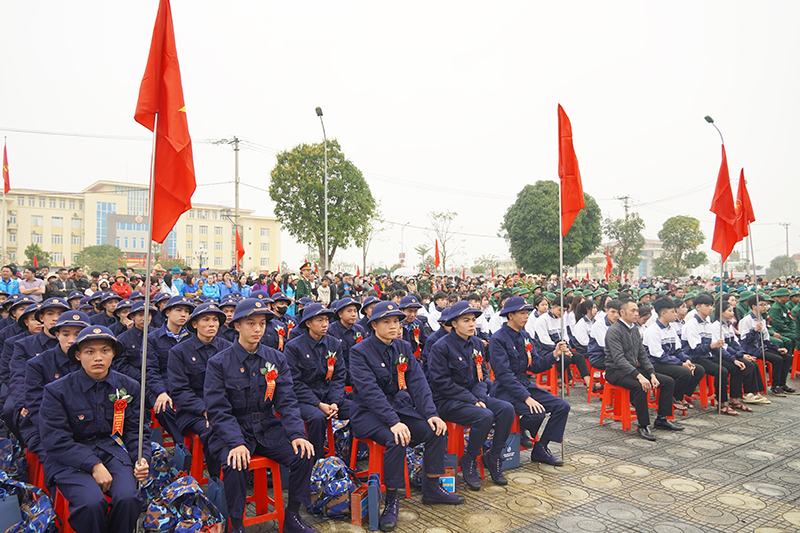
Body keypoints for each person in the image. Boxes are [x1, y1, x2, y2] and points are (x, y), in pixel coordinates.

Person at [204, 298, 318, 533]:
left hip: (267, 428)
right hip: (233, 431)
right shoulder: (219, 363)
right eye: (250, 323)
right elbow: (218, 410)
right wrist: (235, 442)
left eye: (262, 323)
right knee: (235, 464)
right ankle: (236, 524)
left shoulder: (276, 358)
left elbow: (286, 400)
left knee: (303, 454)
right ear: (237, 326)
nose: (257, 329)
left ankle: (292, 516)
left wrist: (297, 434)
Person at [350, 301, 464, 531]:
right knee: (397, 438)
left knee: (435, 429)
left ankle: (432, 486)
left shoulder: (402, 347)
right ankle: (392, 498)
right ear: (373, 325)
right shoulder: (359, 351)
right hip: (367, 412)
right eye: (387, 322)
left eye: (396, 322)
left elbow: (418, 383)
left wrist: (431, 413)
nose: (394, 327)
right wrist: (393, 422)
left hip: (397, 408)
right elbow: (369, 392)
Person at [39, 326, 150, 533]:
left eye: (105, 351)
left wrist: (141, 459)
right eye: (90, 351)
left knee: (128, 497)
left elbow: (136, 431)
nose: (98, 357)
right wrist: (94, 465)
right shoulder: (57, 391)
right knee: (91, 503)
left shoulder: (129, 386)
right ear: (78, 355)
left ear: (113, 353)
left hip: (113, 451)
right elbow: (55, 439)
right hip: (69, 458)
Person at [428, 301, 513, 490]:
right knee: (485, 416)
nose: (472, 324)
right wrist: (473, 400)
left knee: (506, 409)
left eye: (474, 320)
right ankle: (470, 459)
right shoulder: (440, 347)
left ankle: (493, 455)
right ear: (454, 323)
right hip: (447, 400)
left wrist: (480, 398)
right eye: (466, 320)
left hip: (474, 398)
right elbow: (441, 383)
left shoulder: (476, 343)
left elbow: (482, 376)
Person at [489, 296, 571, 465]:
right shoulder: (498, 339)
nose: (526, 316)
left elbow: (534, 365)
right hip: (505, 389)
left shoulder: (525, 336)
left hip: (523, 384)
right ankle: (520, 429)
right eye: (522, 313)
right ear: (510, 315)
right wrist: (526, 397)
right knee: (536, 412)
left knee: (562, 406)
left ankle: (541, 448)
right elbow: (504, 375)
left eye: (527, 313)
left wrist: (554, 354)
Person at [605, 300, 683, 441]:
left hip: (632, 369)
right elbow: (618, 359)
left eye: (637, 310)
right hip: (615, 371)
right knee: (640, 386)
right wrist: (639, 376)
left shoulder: (634, 329)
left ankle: (662, 418)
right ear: (622, 312)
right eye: (633, 311)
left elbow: (642, 355)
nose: (636, 313)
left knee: (667, 381)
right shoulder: (614, 331)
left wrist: (652, 374)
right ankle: (643, 425)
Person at [168, 302, 230, 477]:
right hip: (193, 412)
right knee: (214, 431)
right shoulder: (179, 352)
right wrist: (205, 410)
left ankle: (239, 471)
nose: (212, 324)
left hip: (224, 408)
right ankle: (217, 479)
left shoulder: (227, 347)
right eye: (206, 320)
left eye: (215, 320)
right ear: (194, 324)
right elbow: (179, 391)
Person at [284, 303, 350, 462]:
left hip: (329, 397)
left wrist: (335, 401)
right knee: (317, 417)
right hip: (304, 399)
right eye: (319, 320)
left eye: (326, 320)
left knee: (358, 410)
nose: (325, 324)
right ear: (308, 323)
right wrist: (318, 404)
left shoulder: (334, 344)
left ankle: (347, 457)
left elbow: (339, 376)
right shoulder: (294, 347)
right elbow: (294, 382)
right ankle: (316, 460)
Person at [21, 311, 90, 459]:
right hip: (46, 429)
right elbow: (36, 405)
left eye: (77, 334)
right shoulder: (38, 364)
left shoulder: (94, 363)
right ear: (57, 335)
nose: (71, 340)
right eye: (65, 334)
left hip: (88, 427)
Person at [682, 293, 748, 415]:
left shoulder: (708, 324)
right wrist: (713, 346)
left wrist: (733, 359)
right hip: (695, 358)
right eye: (707, 305)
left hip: (708, 356)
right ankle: (722, 403)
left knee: (736, 367)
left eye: (712, 305)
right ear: (698, 307)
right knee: (721, 371)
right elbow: (696, 349)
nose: (710, 308)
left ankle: (734, 399)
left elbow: (717, 348)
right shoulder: (692, 325)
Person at [145, 295, 196, 441]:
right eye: (178, 310)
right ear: (167, 313)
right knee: (163, 408)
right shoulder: (152, 339)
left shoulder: (192, 338)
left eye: (186, 311)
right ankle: (184, 442)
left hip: (186, 386)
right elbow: (150, 370)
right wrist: (160, 392)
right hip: (162, 385)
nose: (183, 314)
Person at [643, 297, 706, 411]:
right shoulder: (653, 330)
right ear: (663, 313)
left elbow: (678, 349)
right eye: (672, 312)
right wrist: (681, 364)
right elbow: (659, 356)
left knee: (699, 369)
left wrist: (686, 360)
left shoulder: (670, 328)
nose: (675, 315)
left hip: (669, 361)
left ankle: (681, 395)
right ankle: (675, 398)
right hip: (656, 364)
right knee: (684, 372)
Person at [712, 300, 767, 410]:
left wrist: (742, 353)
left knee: (752, 363)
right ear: (722, 312)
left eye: (732, 310)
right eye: (729, 311)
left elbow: (736, 343)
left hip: (732, 353)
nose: (733, 313)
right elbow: (724, 347)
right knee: (741, 366)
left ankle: (752, 392)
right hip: (721, 355)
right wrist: (739, 356)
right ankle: (745, 394)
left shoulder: (729, 325)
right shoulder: (716, 326)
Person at [739, 294, 796, 396]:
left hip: (762, 347)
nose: (764, 307)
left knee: (786, 357)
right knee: (777, 360)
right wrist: (755, 330)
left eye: (765, 304)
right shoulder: (746, 320)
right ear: (754, 306)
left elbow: (766, 340)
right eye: (761, 304)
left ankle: (782, 384)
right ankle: (775, 386)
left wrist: (777, 348)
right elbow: (744, 341)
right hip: (752, 349)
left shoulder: (762, 319)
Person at [530, 297, 592, 389]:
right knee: (565, 358)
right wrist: (561, 350)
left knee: (579, 357)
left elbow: (565, 337)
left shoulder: (561, 319)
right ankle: (558, 376)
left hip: (561, 349)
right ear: (553, 307)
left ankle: (589, 383)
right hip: (545, 350)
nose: (562, 313)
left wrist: (567, 349)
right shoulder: (542, 320)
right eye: (560, 310)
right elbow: (544, 341)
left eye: (564, 311)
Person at [327, 298, 366, 386]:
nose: (353, 314)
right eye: (349, 311)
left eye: (355, 311)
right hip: (338, 374)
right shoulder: (330, 331)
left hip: (357, 372)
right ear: (340, 314)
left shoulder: (359, 330)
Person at [587, 300, 620, 370]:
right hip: (599, 357)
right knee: (625, 366)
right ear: (606, 311)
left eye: (618, 312)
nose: (616, 315)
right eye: (613, 312)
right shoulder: (599, 325)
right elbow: (605, 346)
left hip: (615, 356)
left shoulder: (620, 324)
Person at [399, 295, 427, 360]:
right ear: (401, 310)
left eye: (415, 311)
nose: (412, 314)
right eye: (409, 311)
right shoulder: (396, 325)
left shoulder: (418, 324)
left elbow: (425, 342)